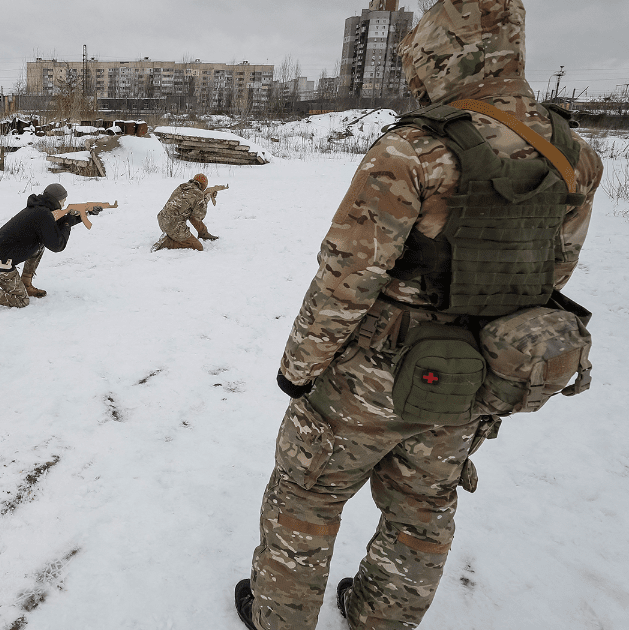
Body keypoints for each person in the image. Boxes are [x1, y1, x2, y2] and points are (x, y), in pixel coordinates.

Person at [235, 2, 603, 629]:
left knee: (307, 495)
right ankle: (382, 618)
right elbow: (552, 276)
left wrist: (300, 368)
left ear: (445, 52)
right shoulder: (573, 154)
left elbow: (346, 277)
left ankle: (280, 619)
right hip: (474, 378)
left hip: (371, 376)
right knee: (425, 507)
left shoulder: (417, 149)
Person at [0, 183, 82, 315]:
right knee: (21, 300)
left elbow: (53, 228)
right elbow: (57, 245)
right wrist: (68, 223)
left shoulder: (40, 210)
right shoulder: (43, 215)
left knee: (41, 244)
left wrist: (80, 217)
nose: (64, 205)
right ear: (57, 200)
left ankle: (26, 283)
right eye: (63, 201)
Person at [151, 173, 218, 252]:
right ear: (203, 185)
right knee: (198, 247)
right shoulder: (198, 194)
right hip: (174, 225)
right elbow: (200, 215)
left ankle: (203, 233)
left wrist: (202, 199)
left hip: (162, 219)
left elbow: (190, 206)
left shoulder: (182, 186)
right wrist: (206, 199)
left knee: (192, 216)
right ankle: (167, 242)